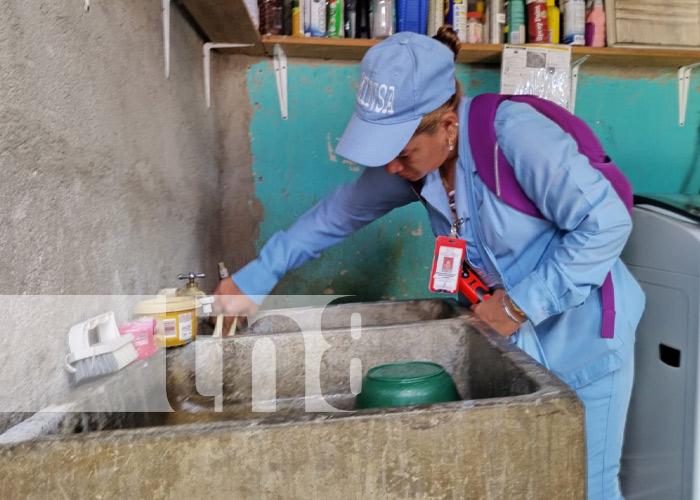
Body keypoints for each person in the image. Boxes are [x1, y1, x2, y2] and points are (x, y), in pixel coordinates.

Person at [215, 26, 645, 499]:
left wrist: (519, 305)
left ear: (446, 125)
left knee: (586, 484)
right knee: (524, 482)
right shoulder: (417, 168)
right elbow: (337, 214)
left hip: (584, 336)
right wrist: (254, 278)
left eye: (400, 154)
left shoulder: (515, 135)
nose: (391, 170)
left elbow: (606, 223)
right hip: (513, 340)